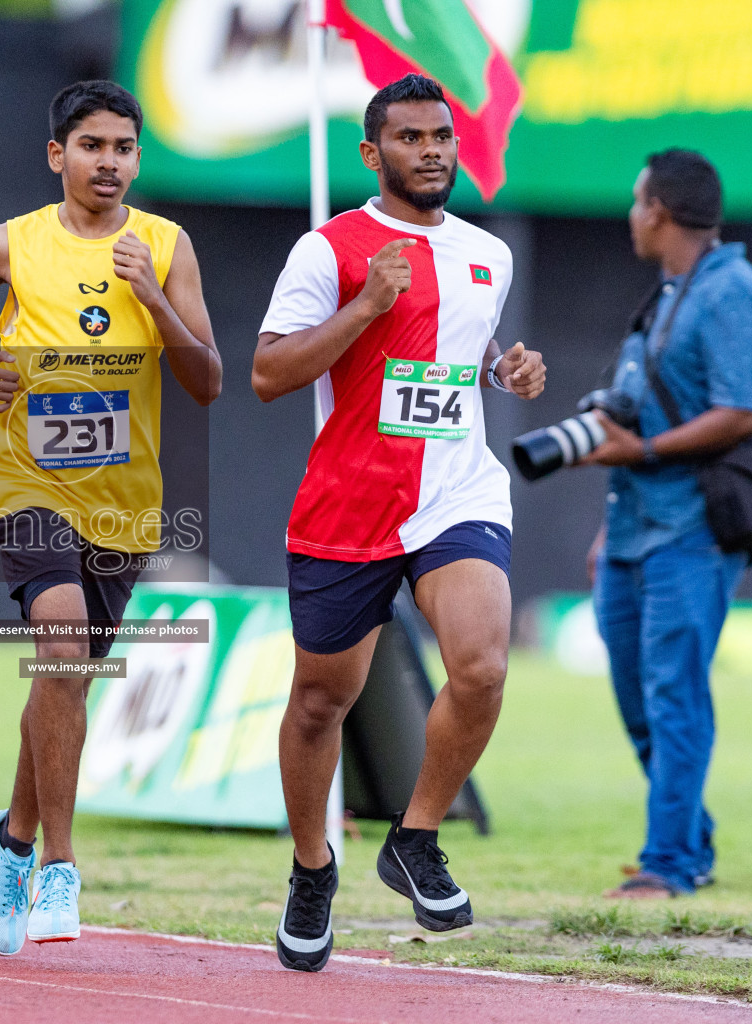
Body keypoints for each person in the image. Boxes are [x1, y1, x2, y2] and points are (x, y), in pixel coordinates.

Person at [252, 74, 546, 972]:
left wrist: (507, 372)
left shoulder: (487, 254)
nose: (433, 151)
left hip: (456, 494)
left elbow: (466, 346)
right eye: (412, 138)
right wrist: (366, 306)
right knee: (318, 704)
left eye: (443, 137)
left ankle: (414, 838)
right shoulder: (329, 249)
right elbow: (270, 374)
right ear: (373, 154)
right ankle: (312, 871)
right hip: (351, 502)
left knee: (483, 667)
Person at [0, 79, 221, 956]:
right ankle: (57, 864)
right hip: (23, 475)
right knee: (59, 648)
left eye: (124, 148)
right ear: (59, 155)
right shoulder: (7, 243)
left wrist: (156, 299)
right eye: (92, 146)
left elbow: (205, 380)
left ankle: (8, 837)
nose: (110, 162)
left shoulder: (166, 247)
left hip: (123, 500)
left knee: (69, 678)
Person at [578, 150, 752, 899]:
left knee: (673, 694)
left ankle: (669, 861)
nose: (632, 215)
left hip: (693, 532)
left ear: (658, 209)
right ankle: (688, 838)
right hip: (633, 529)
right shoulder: (670, 294)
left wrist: (646, 448)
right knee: (639, 695)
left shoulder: (733, 292)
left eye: (637, 202)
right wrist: (608, 529)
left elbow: (750, 410)